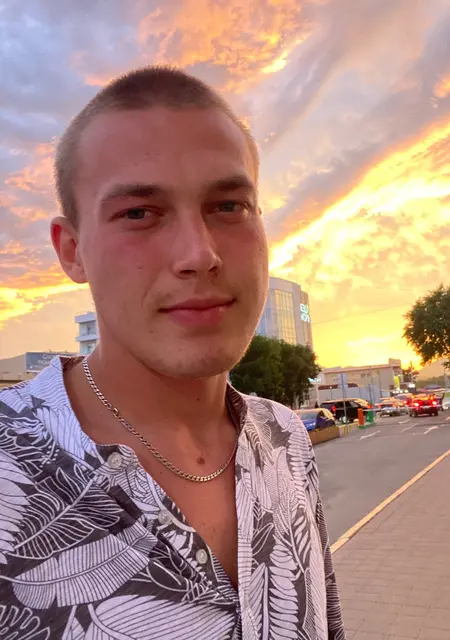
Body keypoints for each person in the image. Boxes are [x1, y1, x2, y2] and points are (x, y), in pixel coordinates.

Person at [0, 67, 345, 639]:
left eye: (228, 205)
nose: (199, 254)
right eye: (139, 213)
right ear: (72, 250)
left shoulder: (285, 439)